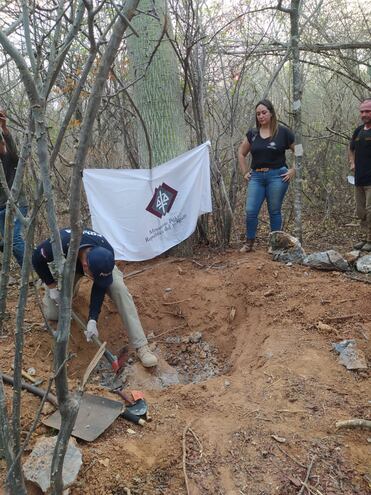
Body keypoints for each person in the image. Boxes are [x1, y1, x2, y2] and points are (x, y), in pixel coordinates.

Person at [32, 228, 158, 368]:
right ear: (85, 266)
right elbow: (36, 257)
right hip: (68, 266)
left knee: (119, 289)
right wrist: (51, 286)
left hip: (97, 267)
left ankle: (142, 346)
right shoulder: (60, 243)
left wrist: (93, 319)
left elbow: (100, 286)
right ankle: (71, 286)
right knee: (53, 313)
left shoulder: (106, 251)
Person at [237, 99, 295, 252]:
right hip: (256, 176)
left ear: (271, 113)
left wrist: (294, 170)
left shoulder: (283, 132)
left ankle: (274, 245)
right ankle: (249, 243)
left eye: (264, 112)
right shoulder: (253, 134)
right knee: (250, 210)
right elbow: (241, 153)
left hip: (278, 176)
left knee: (274, 210)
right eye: (258, 114)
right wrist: (244, 172)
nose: (261, 116)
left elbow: (300, 150)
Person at [0, 110, 28, 266]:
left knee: (15, 240)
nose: (3, 145)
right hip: (0, 209)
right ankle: (30, 260)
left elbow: (11, 146)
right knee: (7, 243)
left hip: (17, 204)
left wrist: (4, 127)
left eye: (3, 143)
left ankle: (29, 270)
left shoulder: (10, 158)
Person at [349, 98, 371, 251]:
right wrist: (352, 163)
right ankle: (364, 238)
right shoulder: (358, 131)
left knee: (370, 210)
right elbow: (351, 149)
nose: (364, 114)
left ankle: (370, 240)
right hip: (359, 178)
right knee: (361, 210)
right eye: (362, 111)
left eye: (367, 111)